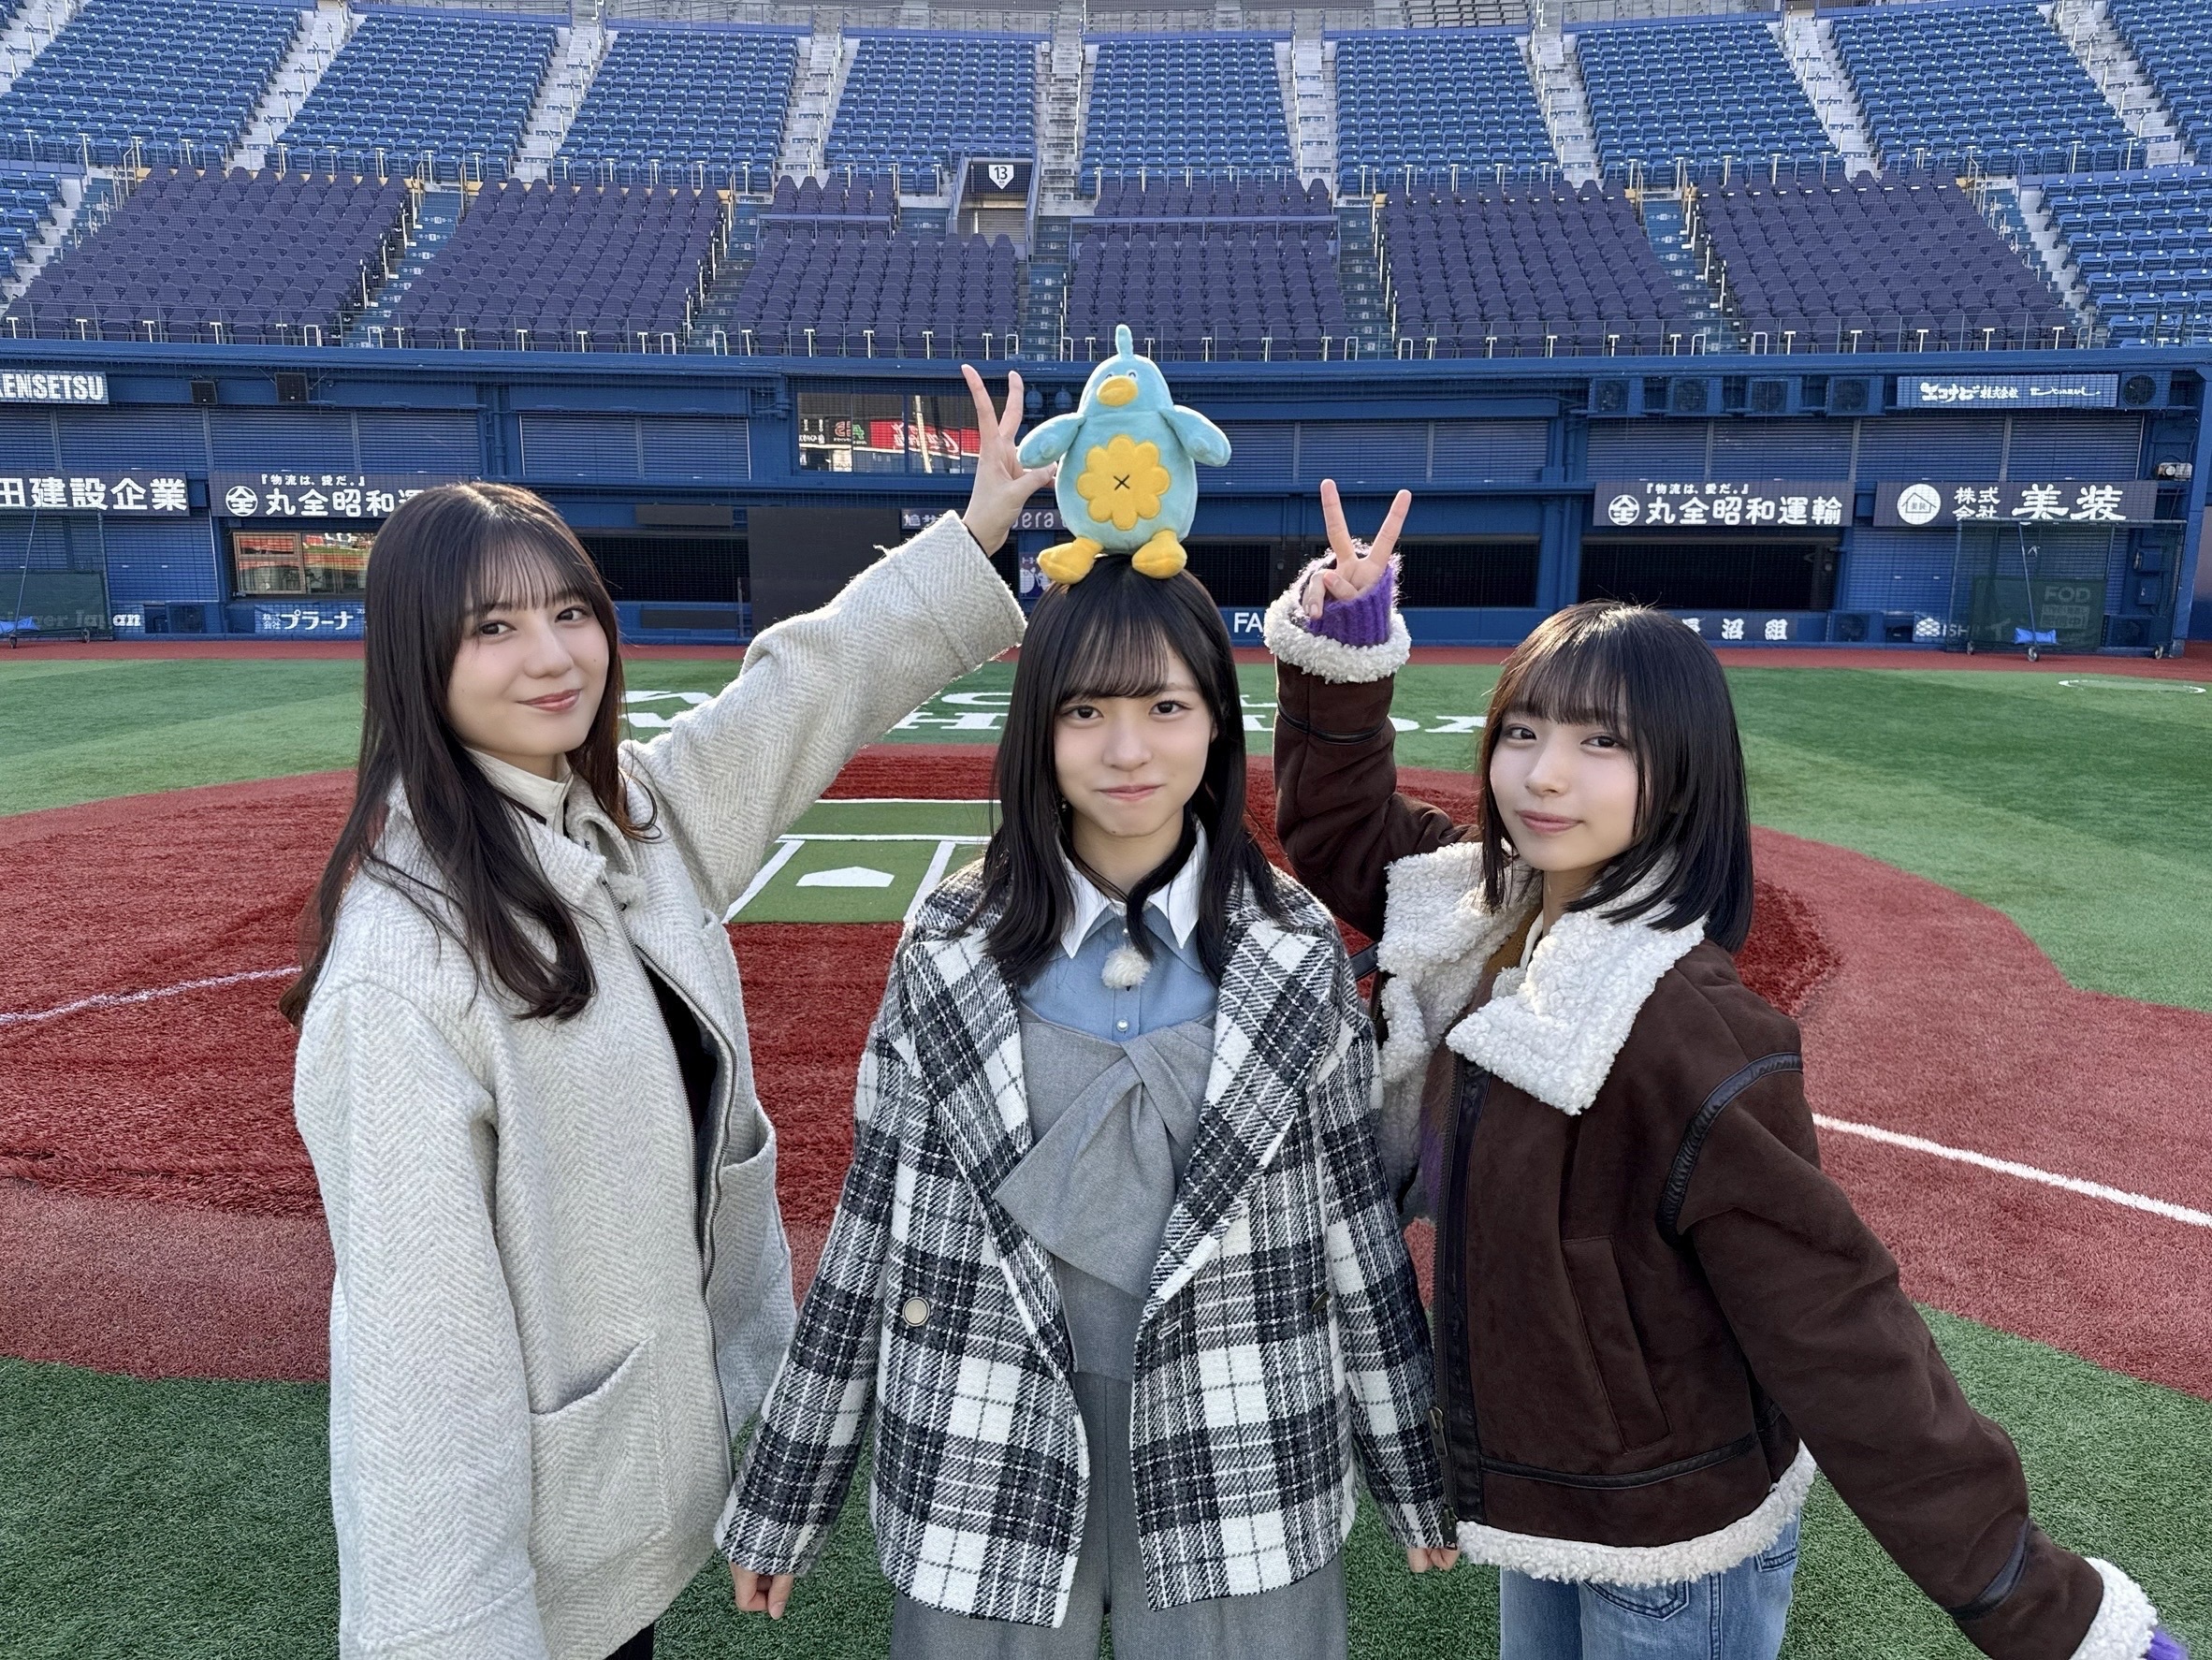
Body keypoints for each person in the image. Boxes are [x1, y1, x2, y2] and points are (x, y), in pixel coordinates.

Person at [1261, 480, 2184, 1660]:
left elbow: (1837, 1325)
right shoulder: (1486, 915)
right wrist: (1343, 656)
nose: (1544, 775)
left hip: (1680, 1545)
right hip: (1557, 1512)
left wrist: (2048, 1609)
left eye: (1602, 743)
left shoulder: (1689, 1026)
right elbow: (1343, 835)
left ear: (1682, 772)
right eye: (1524, 732)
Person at [283, 367, 1050, 1660]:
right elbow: (422, 1368)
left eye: (570, 611)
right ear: (417, 660)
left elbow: (799, 693)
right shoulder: (399, 968)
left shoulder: (622, 817)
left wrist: (971, 537)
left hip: (615, 1496)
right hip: (528, 1570)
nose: (552, 656)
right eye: (492, 628)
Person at [719, 551, 1456, 1658]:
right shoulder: (949, 944)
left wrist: (1413, 1472)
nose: (1126, 749)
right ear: (1040, 732)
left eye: (1165, 706)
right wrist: (787, 1493)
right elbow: (871, 1224)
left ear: (1217, 720)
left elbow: (1354, 1226)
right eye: (1085, 711)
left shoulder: (1294, 947)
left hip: (1241, 1435)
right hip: (981, 1440)